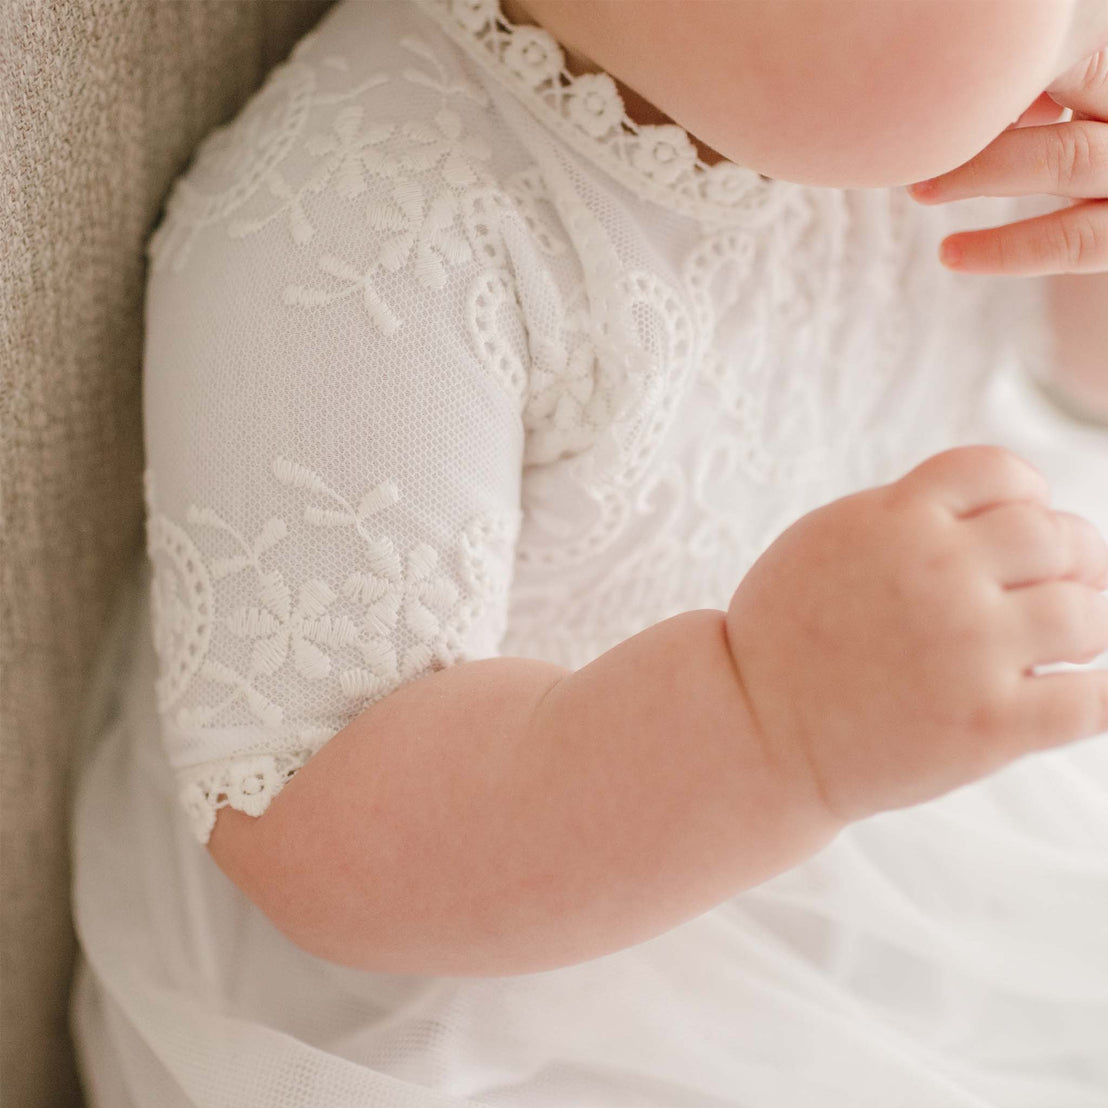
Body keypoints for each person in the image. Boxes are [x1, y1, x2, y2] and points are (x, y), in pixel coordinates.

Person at [69, 1, 1108, 1104]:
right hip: (533, 934)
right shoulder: (371, 215)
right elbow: (313, 814)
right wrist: (769, 724)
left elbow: (1068, 355)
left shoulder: (893, 107)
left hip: (901, 794)